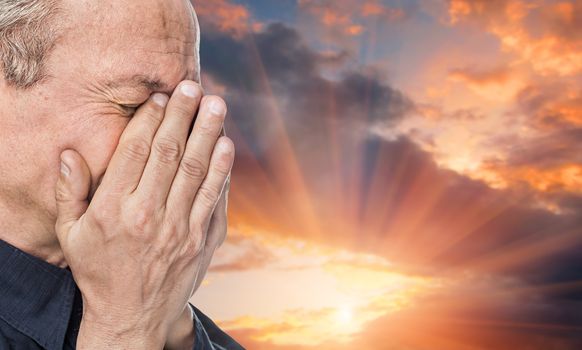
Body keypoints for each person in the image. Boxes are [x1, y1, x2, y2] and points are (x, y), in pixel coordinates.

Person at [0, 0, 244, 349]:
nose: (178, 140)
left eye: (187, 107)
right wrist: (125, 329)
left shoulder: (175, 318)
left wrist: (170, 316)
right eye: (132, 105)